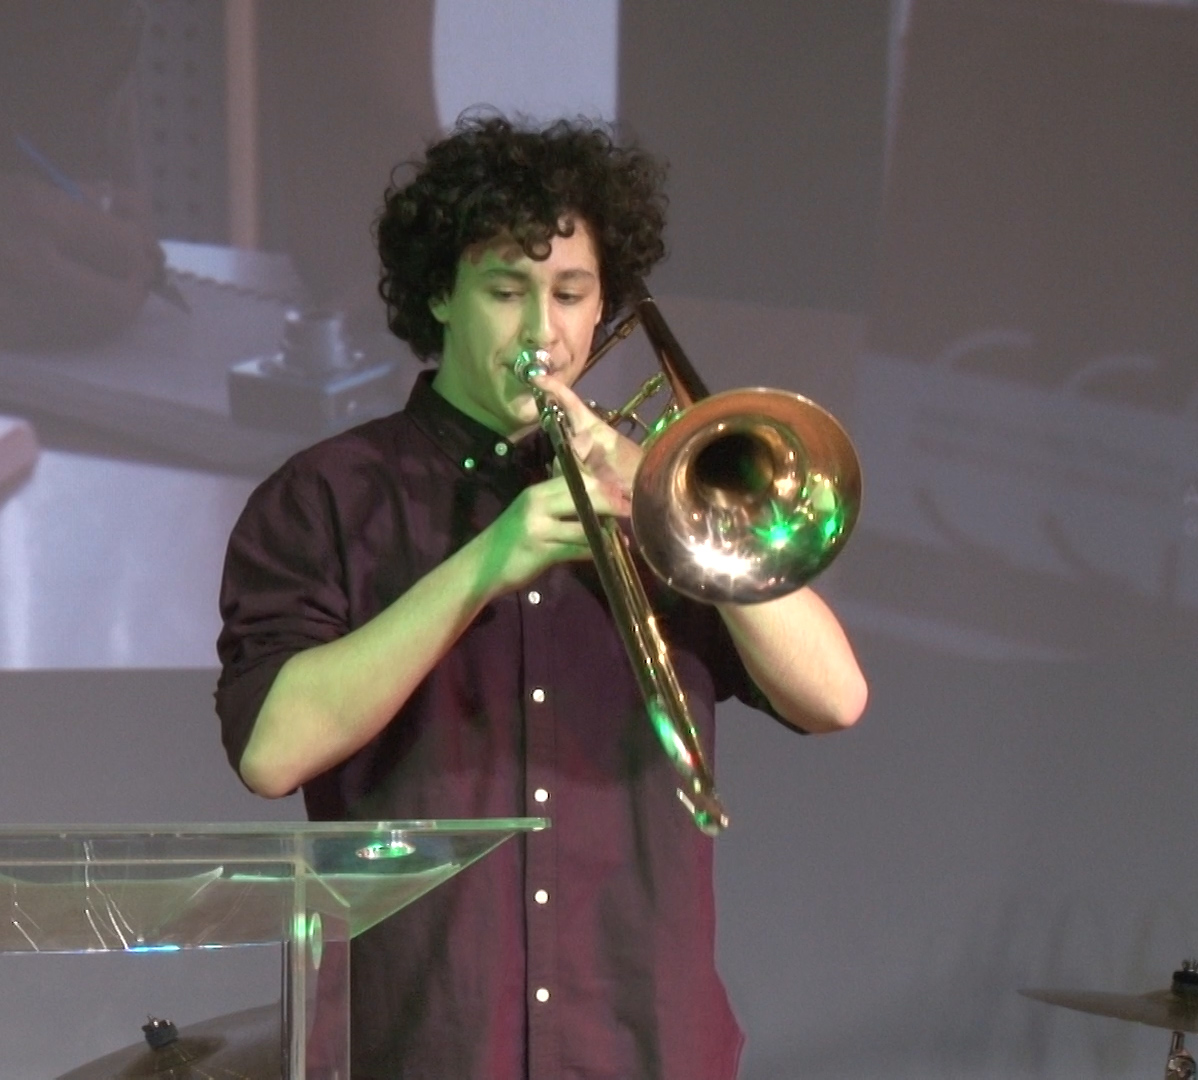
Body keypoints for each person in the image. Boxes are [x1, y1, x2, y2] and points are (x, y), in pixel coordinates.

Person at [215, 115, 867, 1079]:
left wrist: (664, 491)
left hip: (645, 1046)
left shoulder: (659, 497)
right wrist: (486, 563)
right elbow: (273, 753)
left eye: (570, 294)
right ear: (439, 295)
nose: (543, 333)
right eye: (505, 291)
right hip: (428, 1047)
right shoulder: (326, 497)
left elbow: (835, 697)